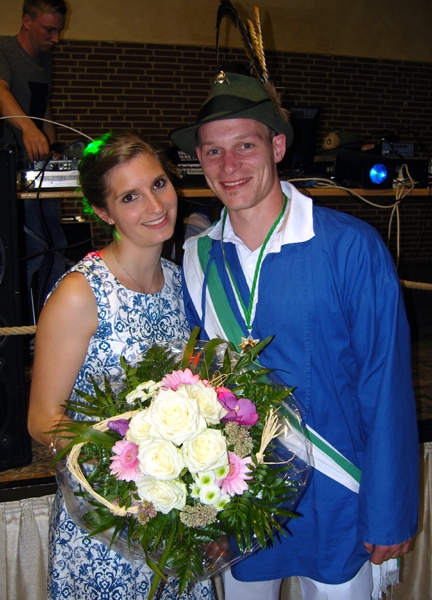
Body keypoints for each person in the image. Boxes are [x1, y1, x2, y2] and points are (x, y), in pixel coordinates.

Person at [170, 71, 419, 600]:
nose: (229, 166)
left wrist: (389, 511)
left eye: (245, 145)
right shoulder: (197, 259)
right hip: (239, 498)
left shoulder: (350, 246)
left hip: (338, 493)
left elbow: (386, 384)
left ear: (278, 146)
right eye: (213, 151)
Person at [27, 131, 215, 600]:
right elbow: (43, 418)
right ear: (104, 212)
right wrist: (128, 473)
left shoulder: (182, 283)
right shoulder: (80, 293)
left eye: (158, 184)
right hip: (106, 523)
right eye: (130, 197)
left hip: (173, 519)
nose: (155, 205)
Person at [0, 0, 69, 316]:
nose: (55, 38)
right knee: (32, 251)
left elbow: (43, 107)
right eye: (49, 30)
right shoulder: (1, 50)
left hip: (39, 170)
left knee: (56, 250)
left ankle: (53, 324)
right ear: (27, 21)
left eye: (58, 31)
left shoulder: (45, 62)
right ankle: (19, 327)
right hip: (11, 167)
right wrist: (28, 128)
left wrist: (52, 146)